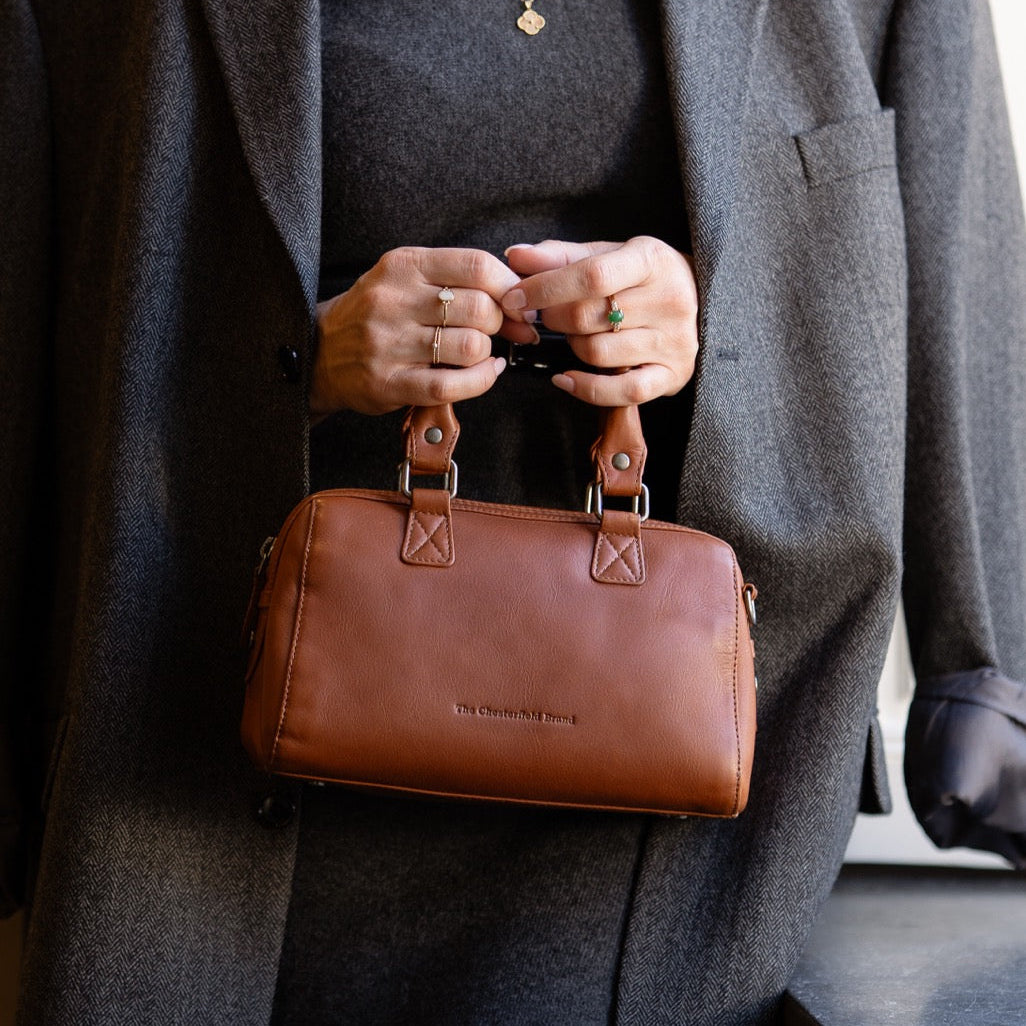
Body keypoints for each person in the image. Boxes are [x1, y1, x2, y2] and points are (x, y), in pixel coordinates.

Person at [1, 1, 1024, 1024]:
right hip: (203, 774)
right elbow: (43, 305)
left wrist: (717, 325)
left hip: (671, 830)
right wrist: (295, 358)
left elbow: (944, 269)